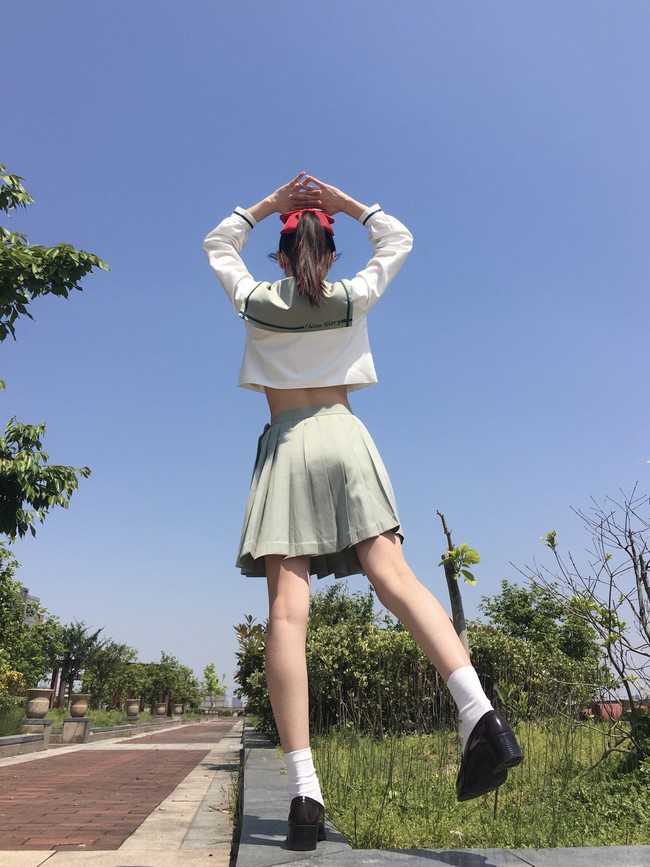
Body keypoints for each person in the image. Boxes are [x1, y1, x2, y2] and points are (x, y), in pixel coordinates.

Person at [203, 173, 522, 851]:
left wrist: (267, 205)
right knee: (397, 579)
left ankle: (304, 792)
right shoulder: (351, 297)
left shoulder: (257, 301)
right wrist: (345, 203)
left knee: (287, 613)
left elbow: (217, 243)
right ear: (330, 253)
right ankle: (481, 713)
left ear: (281, 256)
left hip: (288, 445)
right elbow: (398, 237)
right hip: (347, 440)